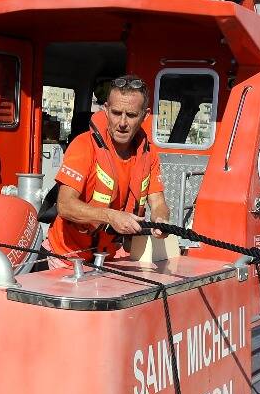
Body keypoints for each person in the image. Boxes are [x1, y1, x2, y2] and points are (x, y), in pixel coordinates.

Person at [47, 74, 171, 259]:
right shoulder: (83, 146)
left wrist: (161, 220)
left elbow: (159, 203)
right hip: (67, 256)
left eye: (131, 115)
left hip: (109, 256)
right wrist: (111, 216)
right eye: (116, 113)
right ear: (105, 110)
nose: (122, 123)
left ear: (144, 115)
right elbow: (65, 206)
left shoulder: (149, 154)